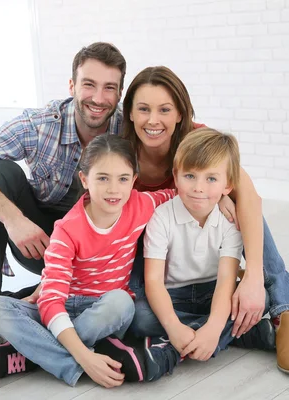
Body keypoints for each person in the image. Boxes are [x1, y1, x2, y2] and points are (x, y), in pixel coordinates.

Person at [0, 42, 127, 377]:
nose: (98, 98)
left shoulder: (128, 129)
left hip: (100, 258)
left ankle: (28, 323)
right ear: (72, 86)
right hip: (41, 242)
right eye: (89, 84)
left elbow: (184, 141)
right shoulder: (41, 125)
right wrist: (13, 219)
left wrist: (229, 189)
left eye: (109, 88)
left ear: (120, 93)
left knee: (127, 308)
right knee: (0, 173)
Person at [122, 66, 289, 375]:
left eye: (165, 110)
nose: (153, 120)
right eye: (143, 109)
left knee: (241, 210)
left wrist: (251, 279)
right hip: (156, 262)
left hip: (207, 254)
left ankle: (285, 308)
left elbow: (249, 197)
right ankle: (242, 331)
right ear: (129, 113)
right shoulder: (122, 152)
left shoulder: (200, 140)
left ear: (181, 114)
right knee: (136, 316)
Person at [0, 134, 175, 387]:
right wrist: (84, 359)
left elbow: (182, 193)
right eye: (102, 178)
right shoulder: (67, 230)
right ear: (84, 179)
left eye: (123, 179)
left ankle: (33, 354)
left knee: (122, 301)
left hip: (103, 311)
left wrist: (226, 197)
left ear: (134, 181)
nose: (114, 189)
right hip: (63, 306)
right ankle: (79, 360)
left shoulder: (142, 204)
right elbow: (50, 303)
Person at [110, 127, 276, 382]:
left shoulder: (229, 220)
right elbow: (153, 282)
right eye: (190, 176)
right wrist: (174, 326)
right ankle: (244, 334)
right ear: (176, 176)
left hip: (213, 291)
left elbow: (225, 282)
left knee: (260, 297)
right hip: (173, 295)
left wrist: (212, 328)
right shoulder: (162, 217)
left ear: (227, 185)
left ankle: (171, 353)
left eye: (211, 179)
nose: (199, 188)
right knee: (139, 317)